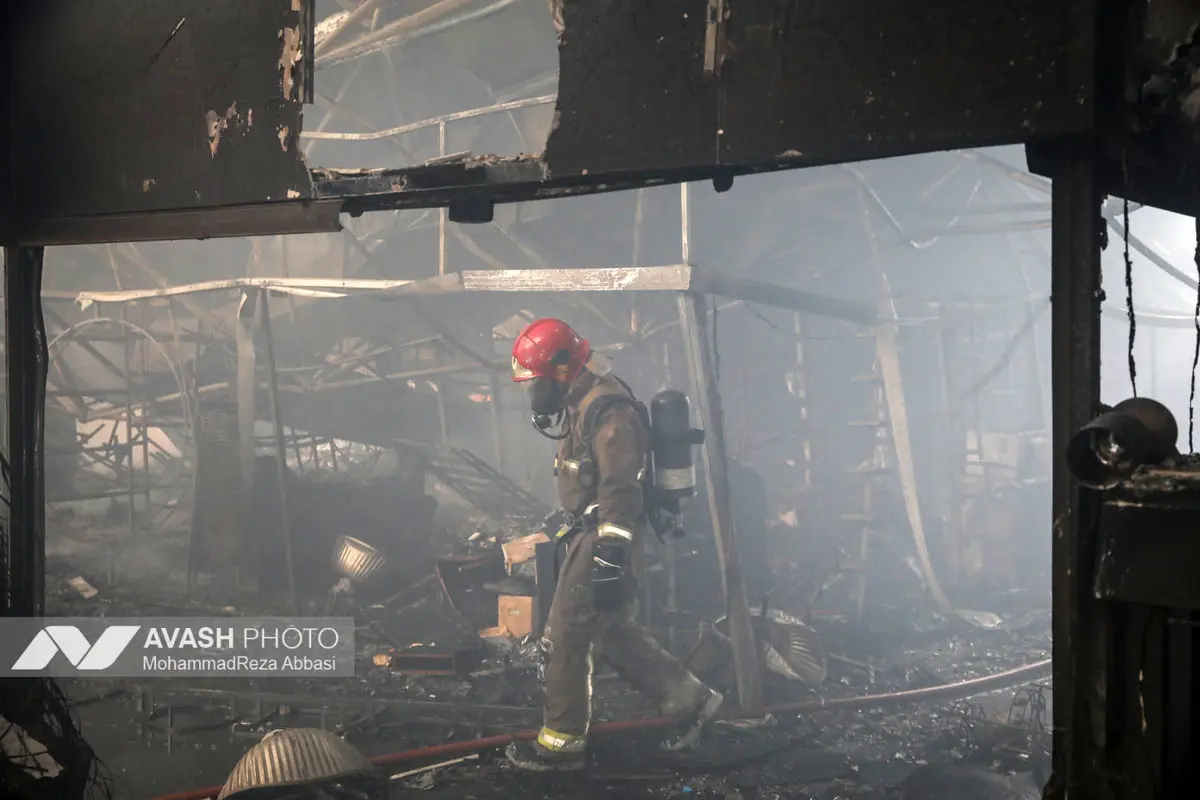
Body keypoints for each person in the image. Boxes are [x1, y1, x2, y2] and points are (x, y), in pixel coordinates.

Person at [505, 318, 724, 771]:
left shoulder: (609, 413)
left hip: (606, 537)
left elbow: (621, 491)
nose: (533, 393)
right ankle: (692, 701)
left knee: (566, 635)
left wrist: (608, 556)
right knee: (613, 633)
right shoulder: (581, 403)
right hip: (591, 533)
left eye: (536, 381)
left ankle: (559, 748)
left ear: (561, 370)